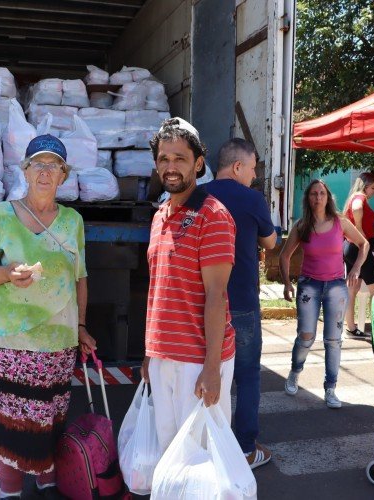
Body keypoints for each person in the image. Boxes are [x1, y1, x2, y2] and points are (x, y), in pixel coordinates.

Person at [0, 134, 97, 499]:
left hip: (58, 342)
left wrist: (82, 326)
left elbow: (80, 279)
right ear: (24, 170)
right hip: (12, 341)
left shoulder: (72, 222)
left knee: (51, 419)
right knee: (11, 421)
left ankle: (47, 483)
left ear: (63, 176)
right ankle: (9, 491)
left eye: (53, 165)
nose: (45, 171)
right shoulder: (1, 218)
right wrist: (7, 273)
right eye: (37, 163)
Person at [141, 117, 238, 454]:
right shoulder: (159, 216)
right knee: (170, 455)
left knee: (203, 459)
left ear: (198, 163)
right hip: (163, 356)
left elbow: (216, 296)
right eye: (164, 159)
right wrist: (150, 352)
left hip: (197, 361)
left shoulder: (214, 216)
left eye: (180, 158)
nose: (171, 167)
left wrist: (212, 369)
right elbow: (158, 290)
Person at [205, 138, 277, 468]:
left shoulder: (197, 196)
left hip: (204, 304)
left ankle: (203, 446)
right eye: (251, 168)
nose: (253, 175)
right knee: (247, 377)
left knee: (205, 373)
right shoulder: (252, 199)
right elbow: (271, 241)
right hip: (242, 304)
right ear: (237, 167)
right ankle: (245, 449)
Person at [279, 179, 368, 408]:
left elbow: (363, 244)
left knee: (333, 340)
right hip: (309, 286)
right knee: (306, 336)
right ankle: (295, 371)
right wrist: (287, 283)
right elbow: (285, 255)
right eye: (313, 194)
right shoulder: (302, 226)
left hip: (336, 286)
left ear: (328, 197)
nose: (318, 197)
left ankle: (330, 389)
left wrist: (356, 268)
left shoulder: (340, 222)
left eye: (322, 193)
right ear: (308, 199)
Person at [342, 172, 374, 339]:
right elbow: (358, 207)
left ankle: (351, 328)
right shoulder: (360, 197)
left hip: (350, 247)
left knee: (352, 289)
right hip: (360, 248)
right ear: (365, 185)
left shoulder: (351, 198)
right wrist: (360, 230)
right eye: (373, 187)